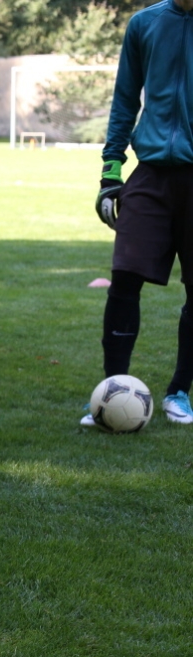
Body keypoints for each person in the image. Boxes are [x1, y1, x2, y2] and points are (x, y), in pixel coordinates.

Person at [79, 0, 193, 428]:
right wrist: (111, 170)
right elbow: (125, 97)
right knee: (124, 278)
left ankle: (180, 391)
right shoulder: (145, 23)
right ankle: (111, 391)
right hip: (150, 174)